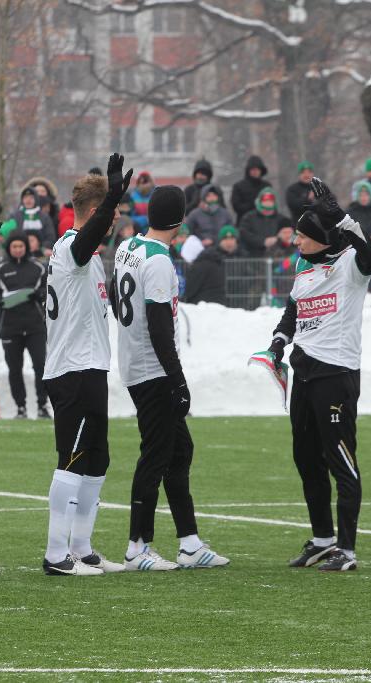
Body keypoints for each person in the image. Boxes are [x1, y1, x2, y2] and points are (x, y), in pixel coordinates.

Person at [112, 185, 230, 571]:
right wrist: (177, 379)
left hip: (136, 364)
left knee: (180, 452)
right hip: (153, 371)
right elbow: (161, 327)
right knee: (156, 455)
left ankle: (190, 543)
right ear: (180, 221)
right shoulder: (160, 261)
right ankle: (136, 547)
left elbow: (116, 298)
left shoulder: (128, 246)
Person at [265, 178, 371, 572]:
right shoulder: (304, 269)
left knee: (341, 460)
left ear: (320, 237)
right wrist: (279, 341)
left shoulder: (351, 265)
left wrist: (343, 217)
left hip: (337, 376)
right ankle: (322, 538)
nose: (296, 242)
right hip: (305, 375)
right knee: (306, 458)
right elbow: (293, 311)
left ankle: (346, 549)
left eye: (302, 236)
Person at [40, 154, 132, 577]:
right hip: (71, 371)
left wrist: (112, 199)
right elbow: (84, 238)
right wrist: (113, 197)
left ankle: (81, 547)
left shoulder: (92, 258)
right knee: (72, 459)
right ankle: (55, 554)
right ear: (97, 213)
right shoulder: (69, 249)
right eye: (110, 216)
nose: (112, 226)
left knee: (98, 459)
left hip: (92, 367)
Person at [0, 230, 49, 419]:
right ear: (9, 248)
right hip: (10, 328)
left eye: (21, 246)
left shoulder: (39, 268)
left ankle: (43, 406)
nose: (18, 249)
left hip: (36, 326)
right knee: (15, 369)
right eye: (14, 246)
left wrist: (40, 294)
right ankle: (21, 408)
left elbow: (50, 288)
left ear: (26, 247)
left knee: (41, 366)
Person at [184, 225, 243, 306]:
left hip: (236, 304)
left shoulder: (243, 257)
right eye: (225, 239)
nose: (229, 242)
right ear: (220, 241)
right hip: (210, 305)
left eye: (232, 239)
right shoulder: (208, 257)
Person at [238, 188, 289, 258]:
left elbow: (289, 237)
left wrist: (278, 239)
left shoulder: (283, 219)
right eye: (265, 200)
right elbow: (244, 234)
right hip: (253, 258)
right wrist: (263, 241)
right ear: (259, 201)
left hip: (276, 258)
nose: (268, 202)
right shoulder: (248, 217)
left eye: (270, 200)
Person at [10, 187, 56, 252]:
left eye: (31, 198)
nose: (28, 200)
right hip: (19, 251)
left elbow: (50, 237)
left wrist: (41, 247)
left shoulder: (45, 217)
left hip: (41, 252)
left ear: (36, 199)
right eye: (25, 198)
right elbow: (10, 235)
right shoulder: (15, 216)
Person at [230, 155, 271, 223]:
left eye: (258, 169)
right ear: (248, 170)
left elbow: (272, 204)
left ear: (261, 171)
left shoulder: (266, 186)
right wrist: (254, 205)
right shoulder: (238, 186)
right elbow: (236, 206)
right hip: (245, 222)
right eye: (253, 169)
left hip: (264, 221)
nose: (255, 172)